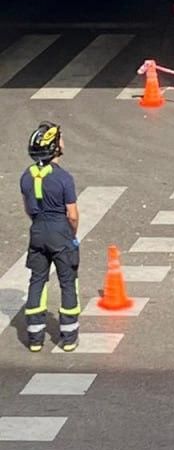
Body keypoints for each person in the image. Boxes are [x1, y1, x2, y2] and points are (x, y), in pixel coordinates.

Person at [20, 123, 81, 353]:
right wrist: (71, 235)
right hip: (60, 232)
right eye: (60, 139)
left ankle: (35, 338)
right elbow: (72, 214)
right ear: (55, 147)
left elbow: (28, 208)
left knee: (37, 280)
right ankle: (69, 337)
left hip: (37, 231)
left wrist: (39, 224)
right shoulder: (63, 178)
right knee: (68, 282)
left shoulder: (26, 176)